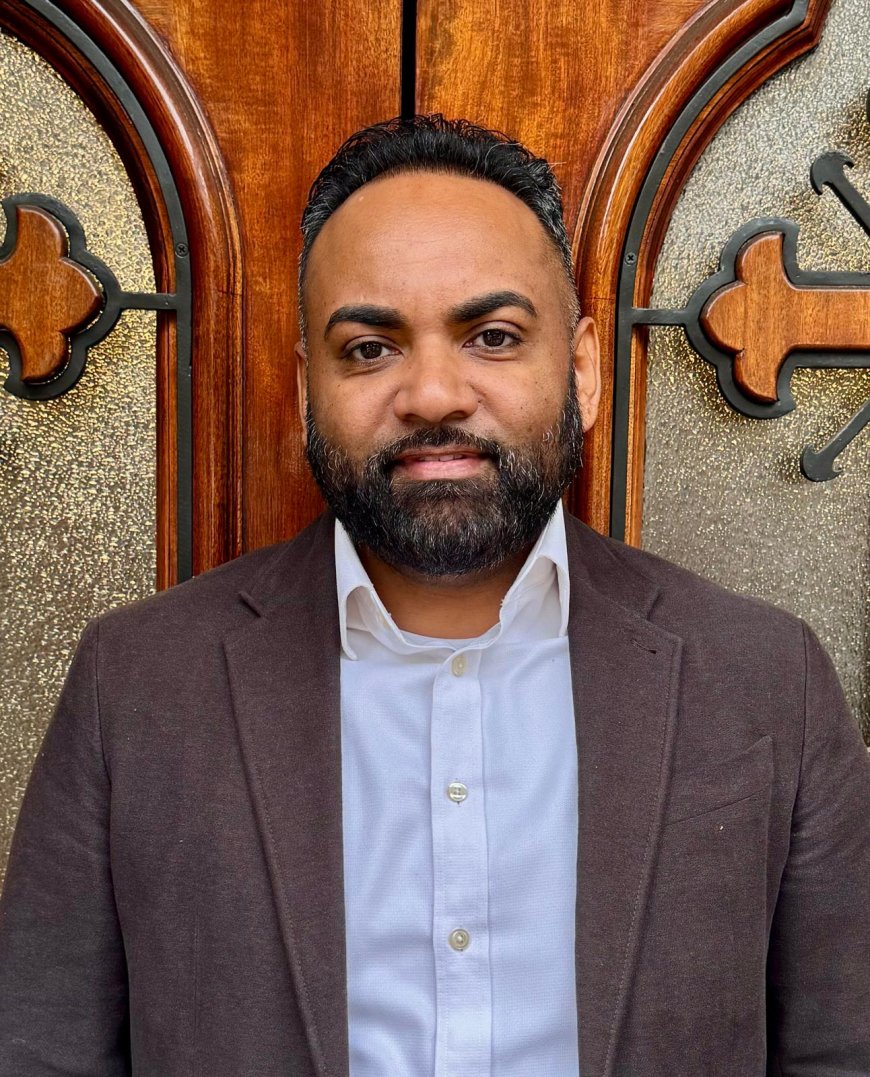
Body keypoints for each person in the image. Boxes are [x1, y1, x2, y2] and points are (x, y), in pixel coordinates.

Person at [1, 115, 869, 1077]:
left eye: (492, 337)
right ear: (306, 390)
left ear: (582, 370)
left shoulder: (765, 680)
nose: (433, 393)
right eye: (371, 348)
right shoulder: (136, 683)